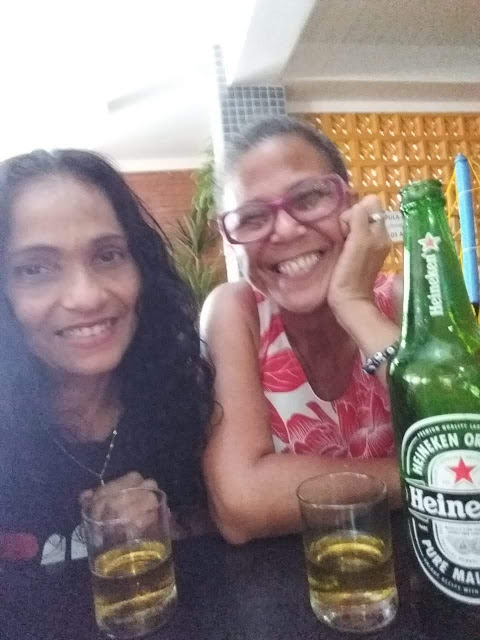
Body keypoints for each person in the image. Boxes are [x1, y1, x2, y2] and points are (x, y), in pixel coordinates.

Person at [0, 149, 214, 566]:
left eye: (107, 255)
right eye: (35, 269)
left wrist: (170, 531)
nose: (87, 297)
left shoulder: (189, 400)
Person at [201, 116, 402, 544]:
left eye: (309, 197)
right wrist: (420, 478)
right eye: (252, 218)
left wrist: (354, 303)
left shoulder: (402, 301)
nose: (286, 229)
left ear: (353, 207)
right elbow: (241, 503)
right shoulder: (236, 312)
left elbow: (466, 442)